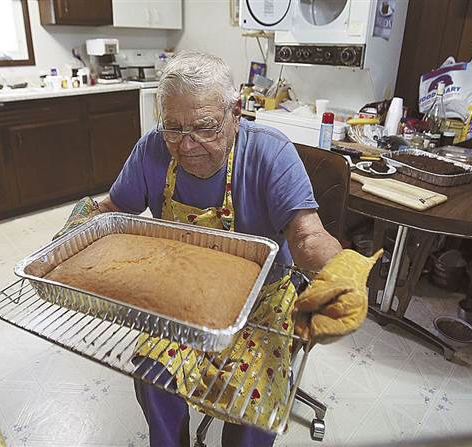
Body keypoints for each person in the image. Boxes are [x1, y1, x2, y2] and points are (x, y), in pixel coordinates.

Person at [55, 50, 380, 447]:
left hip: (263, 300)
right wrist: (70, 235)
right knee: (154, 376)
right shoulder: (153, 149)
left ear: (235, 112)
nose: (186, 145)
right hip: (180, 296)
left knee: (251, 407)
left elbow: (306, 236)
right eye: (173, 128)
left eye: (205, 128)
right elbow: (112, 208)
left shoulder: (270, 153)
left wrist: (340, 271)